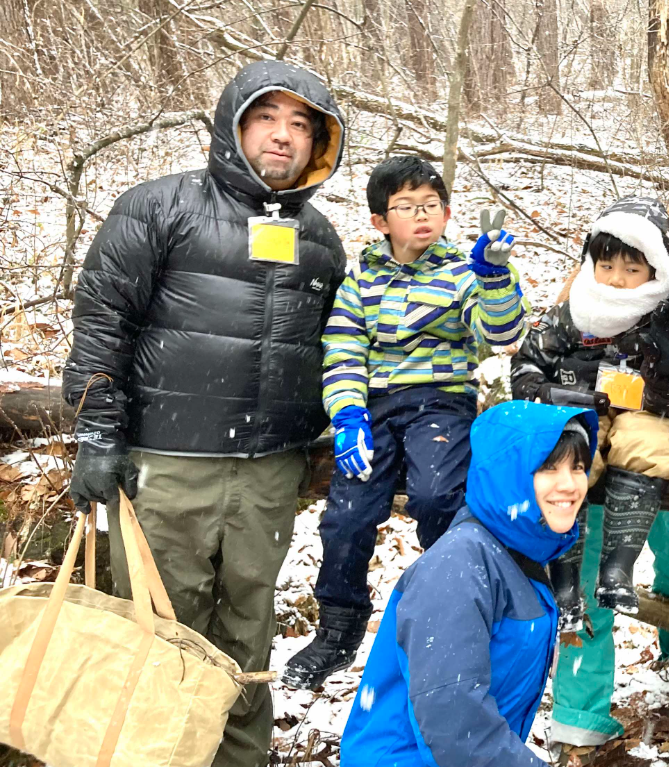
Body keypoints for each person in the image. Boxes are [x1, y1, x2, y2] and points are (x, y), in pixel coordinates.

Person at [62, 59, 347, 767]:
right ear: (233, 125)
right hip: (169, 463)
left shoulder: (322, 240)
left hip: (269, 472)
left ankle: (240, 758)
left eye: (301, 125)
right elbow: (104, 321)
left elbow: (340, 348)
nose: (283, 136)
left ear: (320, 144)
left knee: (248, 630)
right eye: (266, 118)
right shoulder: (159, 207)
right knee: (162, 630)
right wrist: (98, 431)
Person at [282, 155, 529, 689]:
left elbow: (501, 334)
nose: (422, 216)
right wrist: (347, 413)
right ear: (379, 221)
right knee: (347, 514)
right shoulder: (361, 282)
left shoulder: (463, 273)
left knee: (439, 495)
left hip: (441, 401)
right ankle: (339, 626)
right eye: (407, 207)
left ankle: (459, 609)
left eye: (432, 206)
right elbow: (344, 350)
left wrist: (495, 278)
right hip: (374, 405)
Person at [544, 183, 669, 747]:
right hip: (591, 436)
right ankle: (580, 713)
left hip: (663, 437)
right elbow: (568, 330)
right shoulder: (620, 254)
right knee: (590, 565)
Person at [338, 401, 596, 767]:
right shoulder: (460, 566)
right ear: (510, 474)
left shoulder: (516, 555)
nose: (569, 484)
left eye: (578, 467)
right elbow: (455, 729)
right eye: (547, 467)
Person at [511, 195, 669, 623]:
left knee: (649, 444)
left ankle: (617, 567)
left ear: (656, 272)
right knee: (569, 453)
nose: (616, 280)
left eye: (632, 270)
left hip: (640, 414)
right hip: (575, 408)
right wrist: (557, 394)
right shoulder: (572, 312)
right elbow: (524, 369)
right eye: (607, 266)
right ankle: (563, 573)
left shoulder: (661, 319)